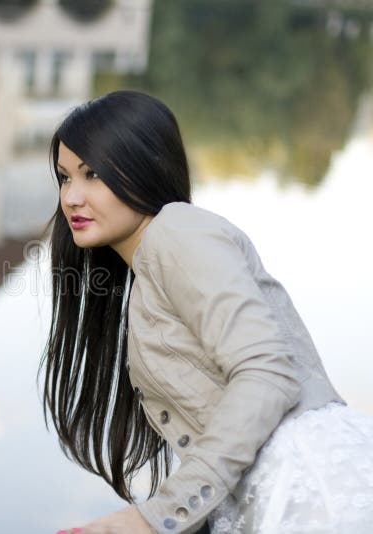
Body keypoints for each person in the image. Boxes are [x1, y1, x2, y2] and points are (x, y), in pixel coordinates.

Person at [39, 90, 373, 534]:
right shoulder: (148, 275)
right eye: (64, 178)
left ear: (145, 166)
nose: (72, 198)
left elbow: (268, 372)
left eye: (92, 174)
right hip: (273, 493)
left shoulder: (178, 230)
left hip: (311, 487)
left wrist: (153, 517)